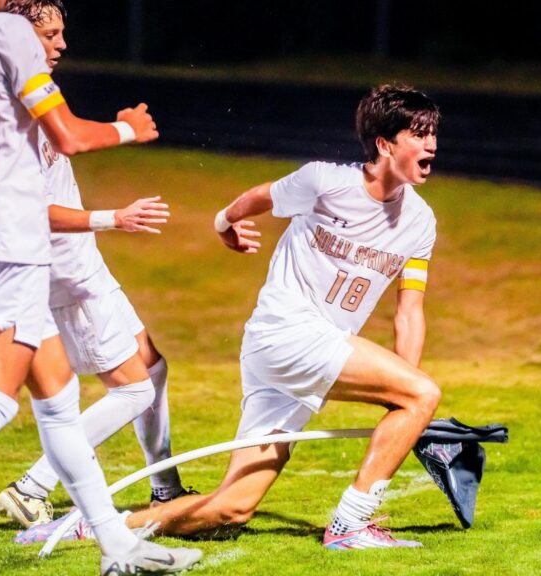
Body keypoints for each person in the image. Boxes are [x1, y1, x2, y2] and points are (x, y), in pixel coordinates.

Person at [33, 83, 443, 550]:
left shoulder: (421, 222)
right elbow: (259, 196)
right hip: (287, 334)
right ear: (385, 144)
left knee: (233, 507)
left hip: (301, 359)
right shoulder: (325, 182)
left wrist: (402, 396)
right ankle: (352, 524)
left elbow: (409, 312)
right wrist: (223, 224)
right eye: (419, 134)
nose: (431, 144)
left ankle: (98, 524)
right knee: (424, 393)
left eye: (433, 133)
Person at [0, 0, 201, 573]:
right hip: (8, 234)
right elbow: (67, 135)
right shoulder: (1, 29)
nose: (57, 43)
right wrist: (126, 129)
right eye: (49, 33)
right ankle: (55, 499)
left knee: (59, 403)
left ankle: (119, 547)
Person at [0, 0, 189, 533]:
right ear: (18, 36)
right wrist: (113, 217)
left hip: (79, 265)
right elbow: (30, 208)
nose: (61, 44)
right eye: (50, 34)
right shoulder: (8, 107)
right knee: (132, 389)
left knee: (152, 365)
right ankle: (32, 487)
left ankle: (164, 484)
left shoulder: (27, 93)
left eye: (63, 32)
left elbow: (70, 137)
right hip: (66, 272)